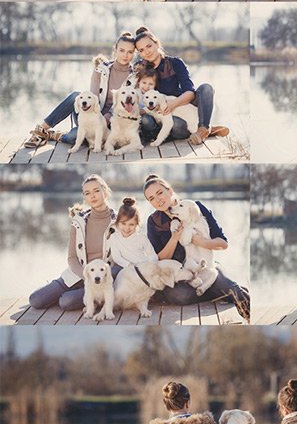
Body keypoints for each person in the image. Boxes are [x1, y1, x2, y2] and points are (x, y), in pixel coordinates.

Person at [143, 175, 250, 322]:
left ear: (170, 190)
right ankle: (215, 291)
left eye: (160, 193)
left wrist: (198, 241)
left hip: (205, 266)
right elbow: (159, 259)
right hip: (179, 275)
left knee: (234, 290)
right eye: (151, 198)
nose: (158, 200)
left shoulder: (195, 207)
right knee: (179, 296)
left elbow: (222, 243)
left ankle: (251, 316)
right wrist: (175, 238)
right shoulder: (153, 221)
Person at [23, 32, 138, 154]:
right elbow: (93, 97)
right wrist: (95, 117)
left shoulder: (134, 75)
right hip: (92, 113)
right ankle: (41, 130)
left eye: (130, 52)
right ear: (115, 50)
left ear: (134, 54)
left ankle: (54, 135)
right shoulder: (101, 69)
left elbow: (123, 106)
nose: (125, 55)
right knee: (75, 96)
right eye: (122, 50)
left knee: (73, 137)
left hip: (112, 123)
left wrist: (106, 119)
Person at [28, 176, 114, 316]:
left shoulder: (117, 221)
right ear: (84, 197)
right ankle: (67, 292)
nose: (92, 196)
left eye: (96, 190)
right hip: (76, 275)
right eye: (87, 193)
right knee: (35, 300)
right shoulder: (79, 221)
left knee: (66, 302)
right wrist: (86, 276)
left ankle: (95, 299)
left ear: (106, 191)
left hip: (100, 280)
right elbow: (72, 257)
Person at [133, 26, 225, 147]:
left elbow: (190, 92)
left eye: (149, 46)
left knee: (206, 88)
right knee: (176, 125)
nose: (147, 52)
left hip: (182, 105)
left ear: (157, 43)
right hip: (162, 115)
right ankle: (204, 130)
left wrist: (174, 104)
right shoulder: (139, 67)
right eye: (141, 50)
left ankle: (203, 129)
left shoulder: (175, 63)